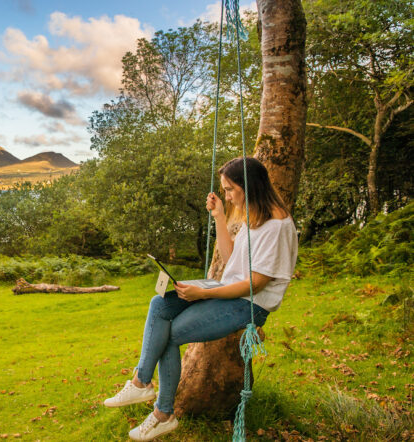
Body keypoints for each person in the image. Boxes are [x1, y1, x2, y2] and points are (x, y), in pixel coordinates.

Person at [103, 157, 298, 441]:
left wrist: (204, 293)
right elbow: (232, 261)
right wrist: (220, 216)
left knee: (170, 334)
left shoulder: (276, 226)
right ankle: (142, 382)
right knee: (160, 304)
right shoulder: (254, 216)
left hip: (250, 304)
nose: (227, 196)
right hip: (230, 290)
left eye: (230, 190)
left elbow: (254, 284)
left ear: (248, 186)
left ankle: (162, 414)